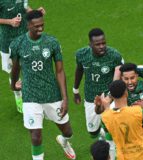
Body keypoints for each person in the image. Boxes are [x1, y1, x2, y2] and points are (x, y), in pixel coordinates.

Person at [10, 10, 75, 160]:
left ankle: (64, 142)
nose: (40, 28)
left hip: (52, 94)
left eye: (42, 25)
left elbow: (60, 71)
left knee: (68, 131)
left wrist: (65, 98)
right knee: (36, 136)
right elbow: (15, 68)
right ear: (28, 25)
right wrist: (13, 84)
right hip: (31, 95)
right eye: (36, 26)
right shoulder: (18, 44)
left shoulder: (52, 42)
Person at [73, 28, 123, 139]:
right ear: (90, 44)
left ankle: (110, 147)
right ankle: (101, 134)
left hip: (109, 97)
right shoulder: (81, 54)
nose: (101, 46)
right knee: (92, 132)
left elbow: (120, 76)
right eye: (97, 44)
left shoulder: (114, 56)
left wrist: (112, 96)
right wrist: (75, 90)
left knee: (111, 128)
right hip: (91, 97)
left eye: (103, 43)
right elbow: (79, 70)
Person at [95, 80, 143, 160]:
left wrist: (106, 108)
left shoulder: (105, 117)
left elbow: (109, 132)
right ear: (126, 92)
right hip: (141, 155)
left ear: (112, 97)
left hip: (122, 157)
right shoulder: (138, 111)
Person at [0, 0, 45, 113]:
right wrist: (9, 21)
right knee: (13, 71)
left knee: (30, 67)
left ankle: (33, 97)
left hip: (25, 39)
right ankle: (18, 96)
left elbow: (25, 8)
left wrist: (35, 13)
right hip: (8, 43)